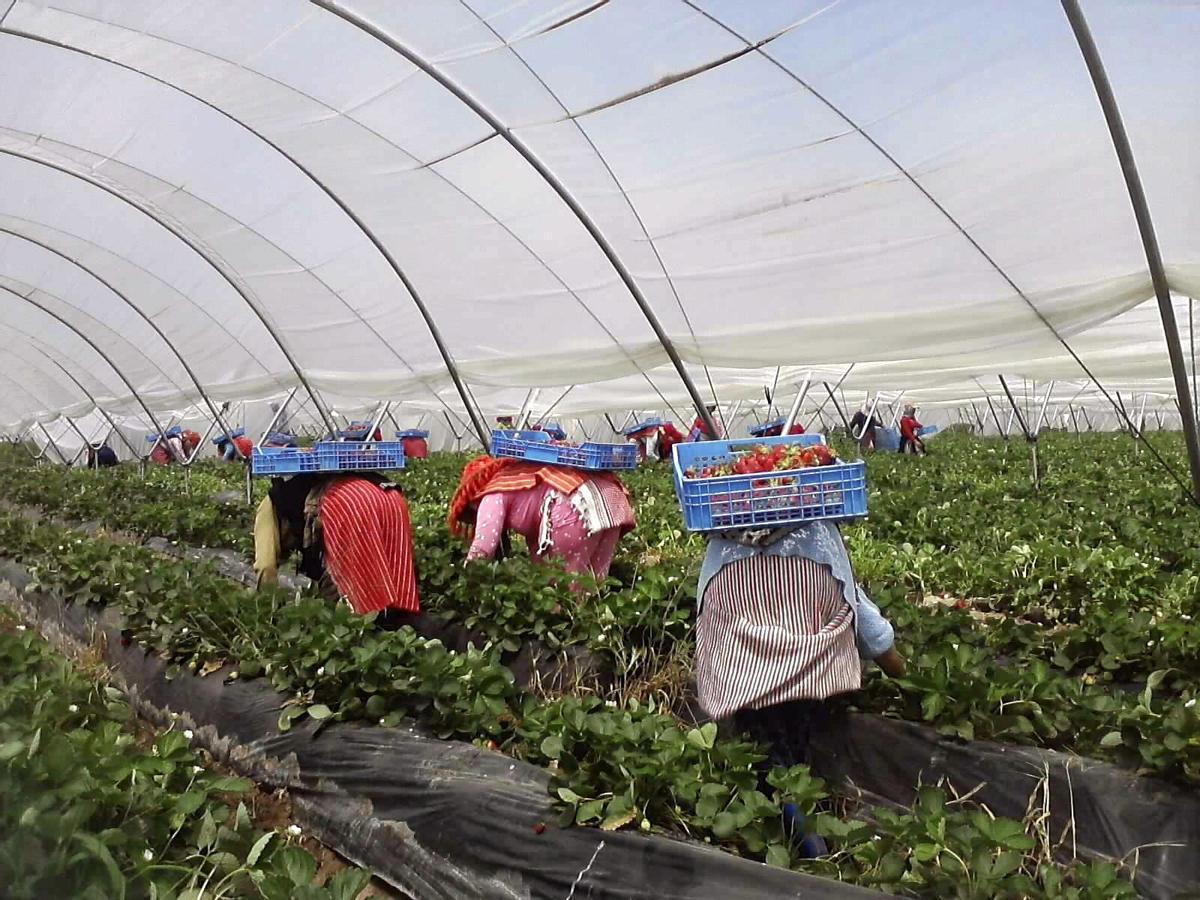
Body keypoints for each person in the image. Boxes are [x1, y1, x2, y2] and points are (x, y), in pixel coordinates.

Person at [693, 521, 904, 854]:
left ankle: (788, 820)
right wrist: (902, 673)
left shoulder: (722, 541)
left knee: (766, 749)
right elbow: (858, 609)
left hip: (742, 651)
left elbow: (707, 615)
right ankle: (810, 838)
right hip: (812, 656)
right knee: (798, 741)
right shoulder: (818, 536)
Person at [253, 473, 419, 624]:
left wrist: (270, 615)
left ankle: (374, 631)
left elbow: (265, 566)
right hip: (387, 494)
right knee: (394, 578)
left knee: (356, 603)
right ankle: (407, 626)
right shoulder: (309, 484)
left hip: (348, 504)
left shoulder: (270, 505)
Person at [447, 456, 635, 584]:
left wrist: (465, 581)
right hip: (611, 496)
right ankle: (596, 632)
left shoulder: (491, 495)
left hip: (572, 502)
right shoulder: (516, 473)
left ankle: (566, 633)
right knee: (595, 583)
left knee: (566, 587)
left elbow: (483, 547)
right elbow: (538, 546)